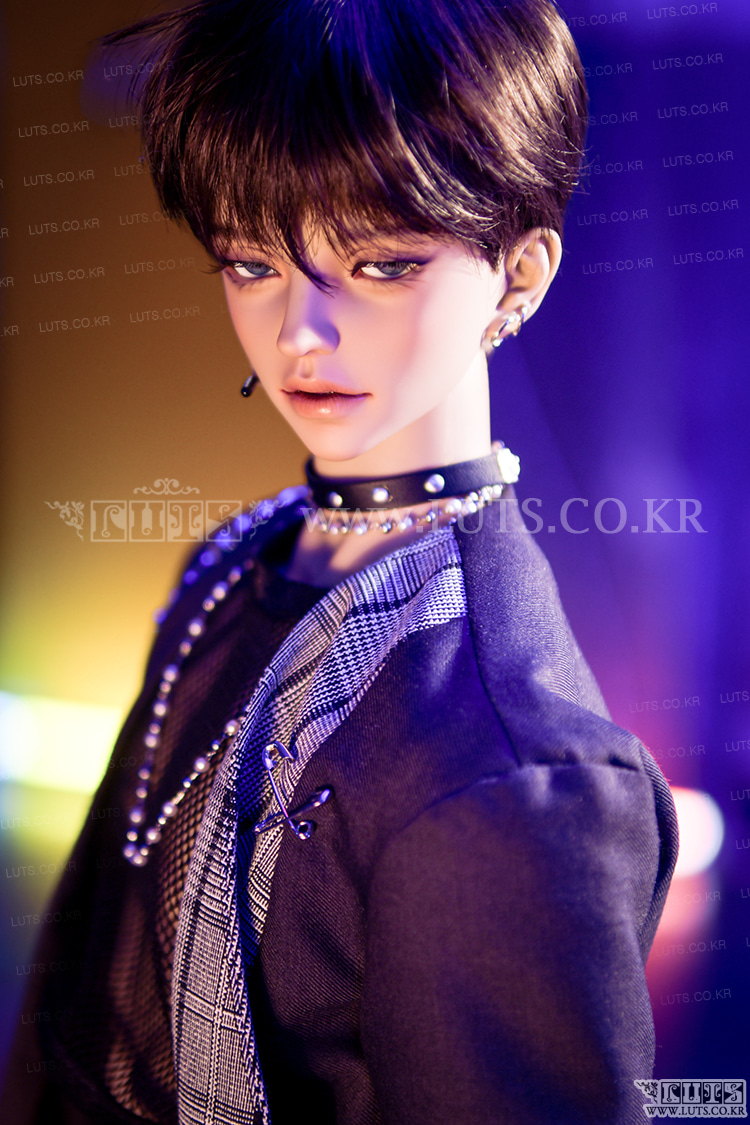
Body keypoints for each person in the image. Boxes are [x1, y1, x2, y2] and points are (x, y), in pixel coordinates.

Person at [1, 0, 678, 1122]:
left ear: (519, 274)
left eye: (380, 264)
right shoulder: (236, 564)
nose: (299, 334)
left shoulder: (503, 761)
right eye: (250, 263)